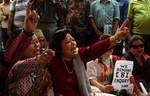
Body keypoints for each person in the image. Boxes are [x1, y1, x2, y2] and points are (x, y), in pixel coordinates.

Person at [48, 26, 128, 96]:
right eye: (68, 42)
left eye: (73, 40)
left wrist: (116, 37)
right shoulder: (51, 61)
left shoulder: (78, 55)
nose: (74, 44)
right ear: (58, 48)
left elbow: (93, 50)